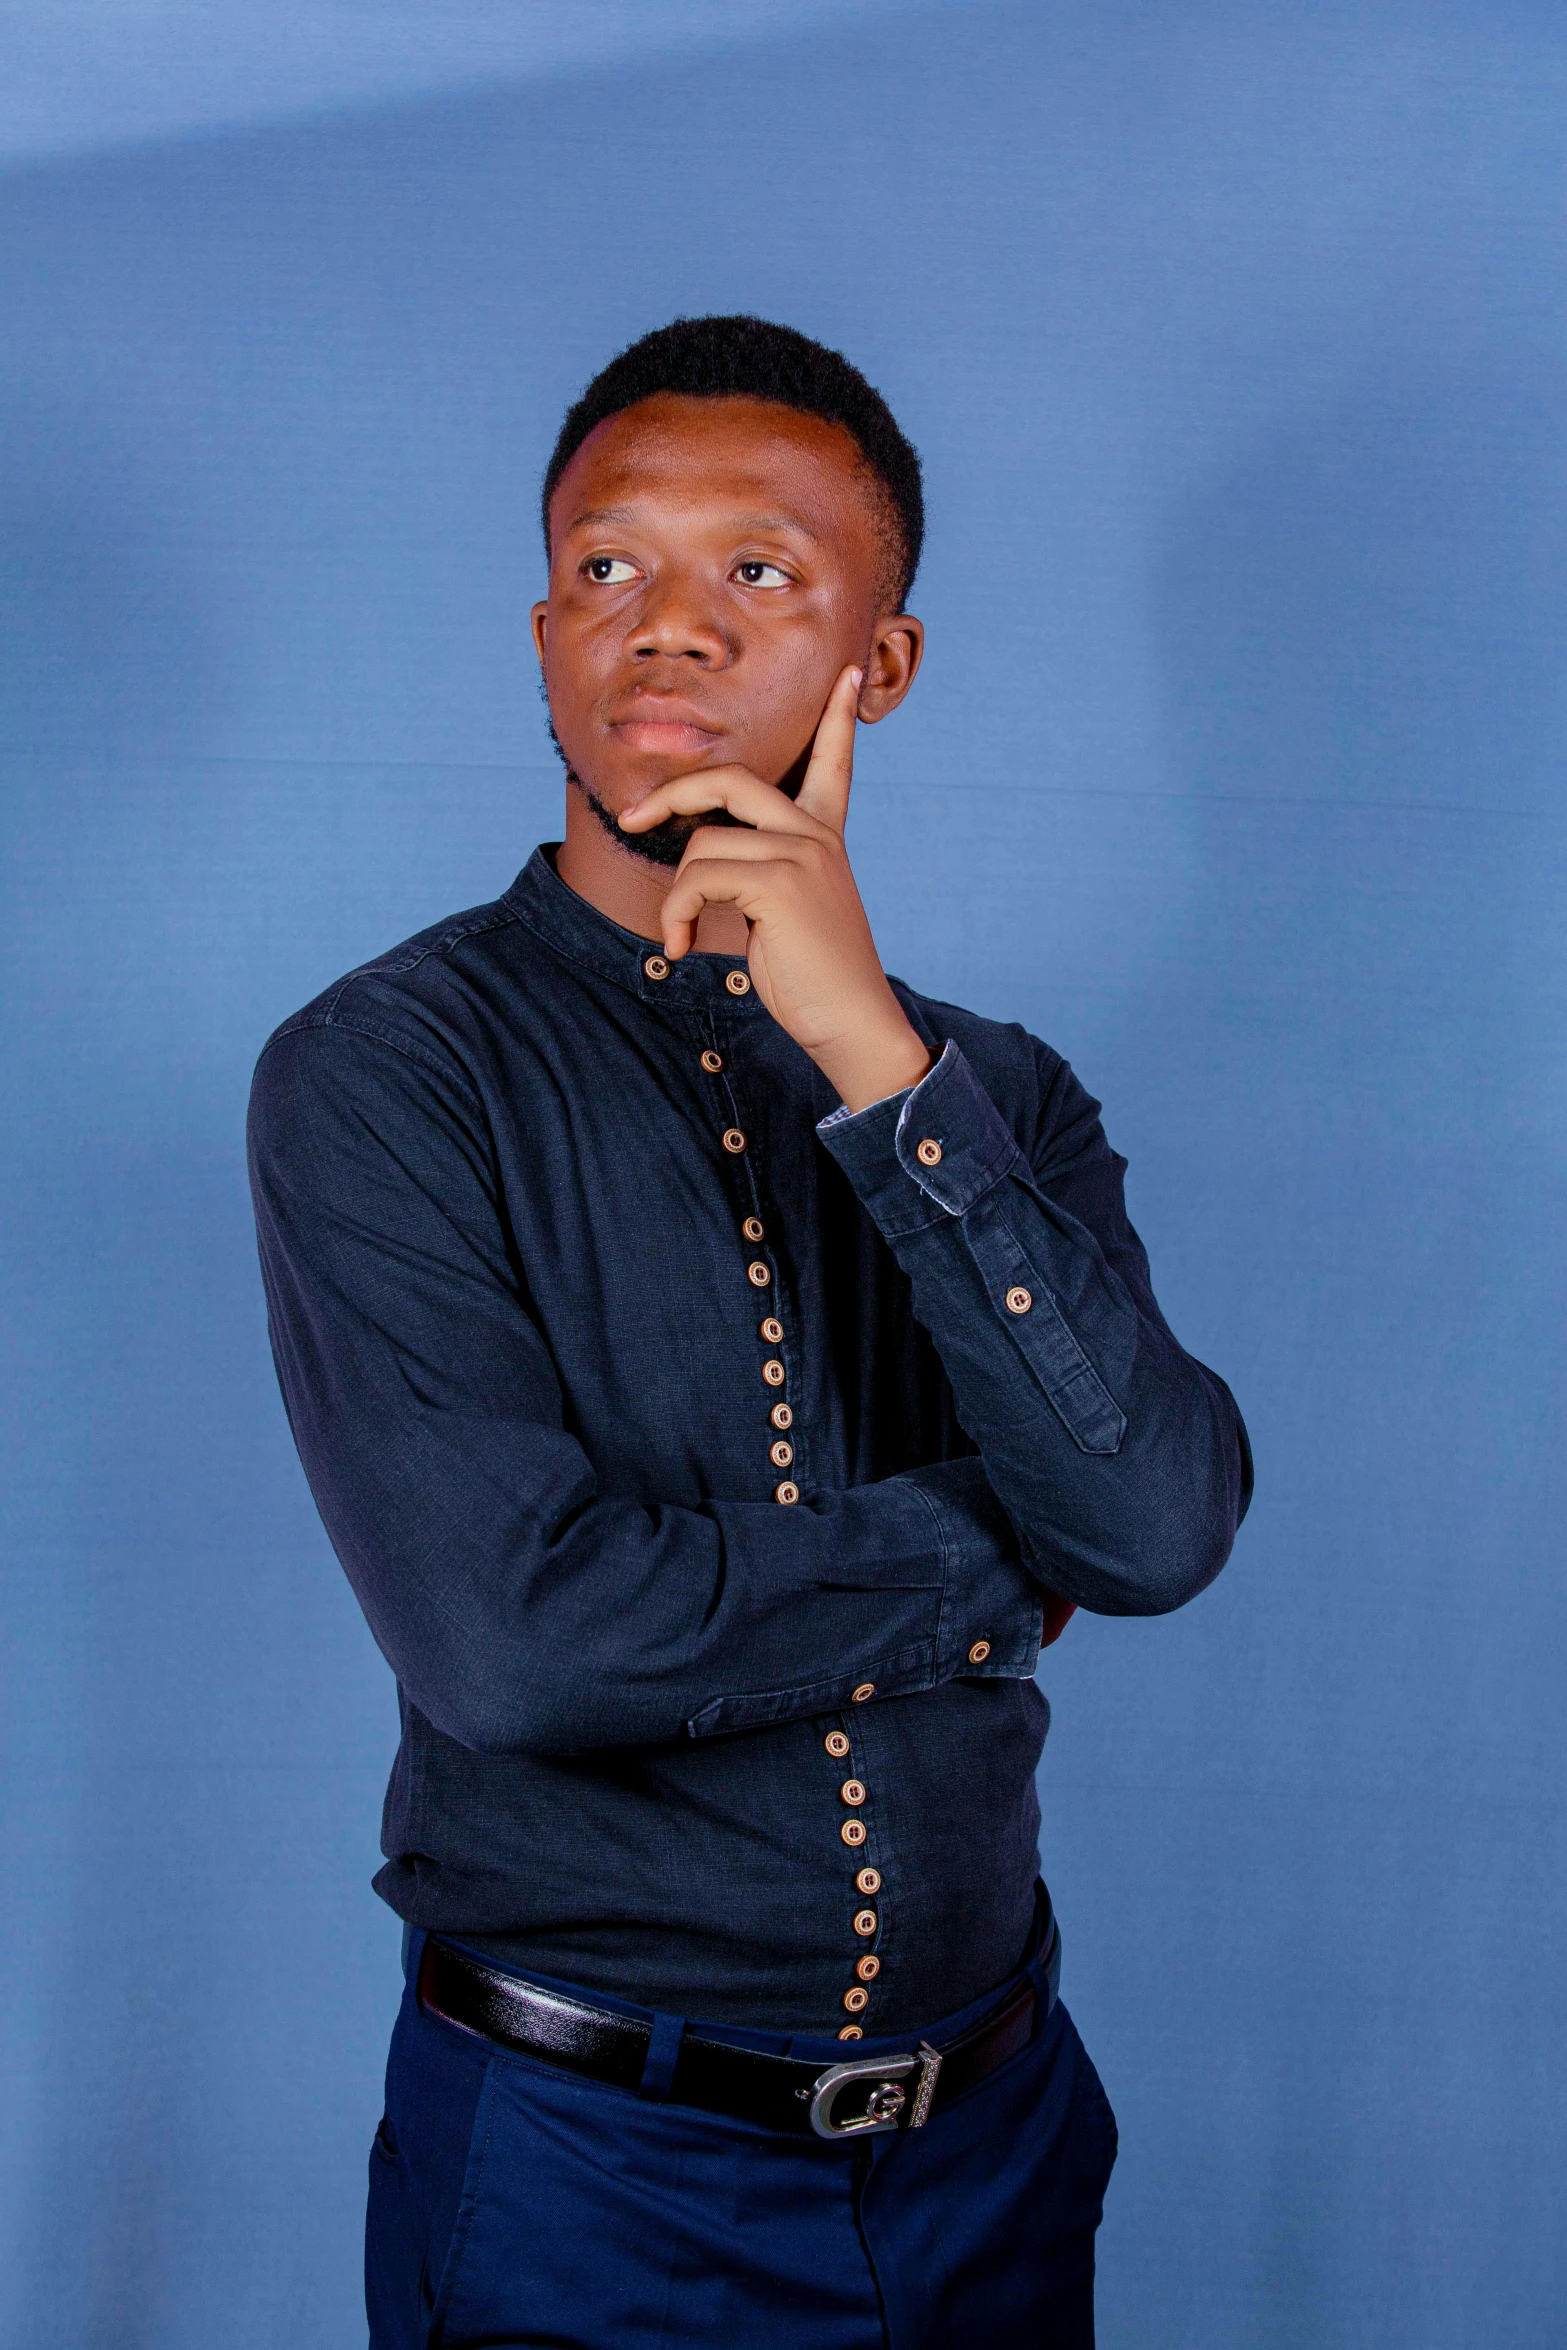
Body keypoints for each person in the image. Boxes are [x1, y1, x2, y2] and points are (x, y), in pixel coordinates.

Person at [247, 314, 1251, 2348]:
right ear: (543, 633)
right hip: (584, 2167)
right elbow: (521, 1641)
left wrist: (873, 1057)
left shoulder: (998, 1093)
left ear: (877, 663)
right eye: (607, 569)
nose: (666, 630)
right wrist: (998, 1558)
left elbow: (1151, 1529)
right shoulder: (384, 1071)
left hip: (997, 2141)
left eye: (758, 574)